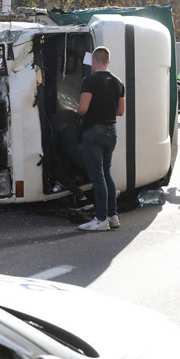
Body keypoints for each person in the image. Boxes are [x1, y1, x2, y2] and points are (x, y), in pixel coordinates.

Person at [77, 46, 125, 231]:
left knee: (97, 175)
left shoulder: (90, 80)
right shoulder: (118, 82)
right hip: (111, 131)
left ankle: (100, 218)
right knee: (107, 173)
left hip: (93, 132)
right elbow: (120, 111)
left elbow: (82, 109)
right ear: (108, 62)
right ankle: (113, 217)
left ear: (94, 61)